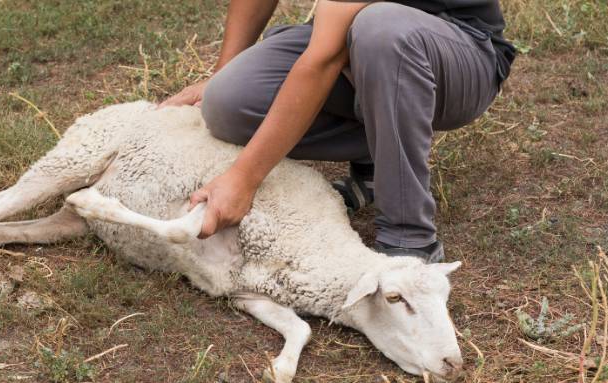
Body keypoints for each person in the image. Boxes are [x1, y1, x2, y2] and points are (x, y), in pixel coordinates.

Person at [160, 0, 515, 262]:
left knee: (381, 30)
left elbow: (324, 59)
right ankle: (377, 157)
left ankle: (408, 241)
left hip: (461, 48)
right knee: (229, 101)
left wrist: (244, 178)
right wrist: (219, 74)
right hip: (355, 38)